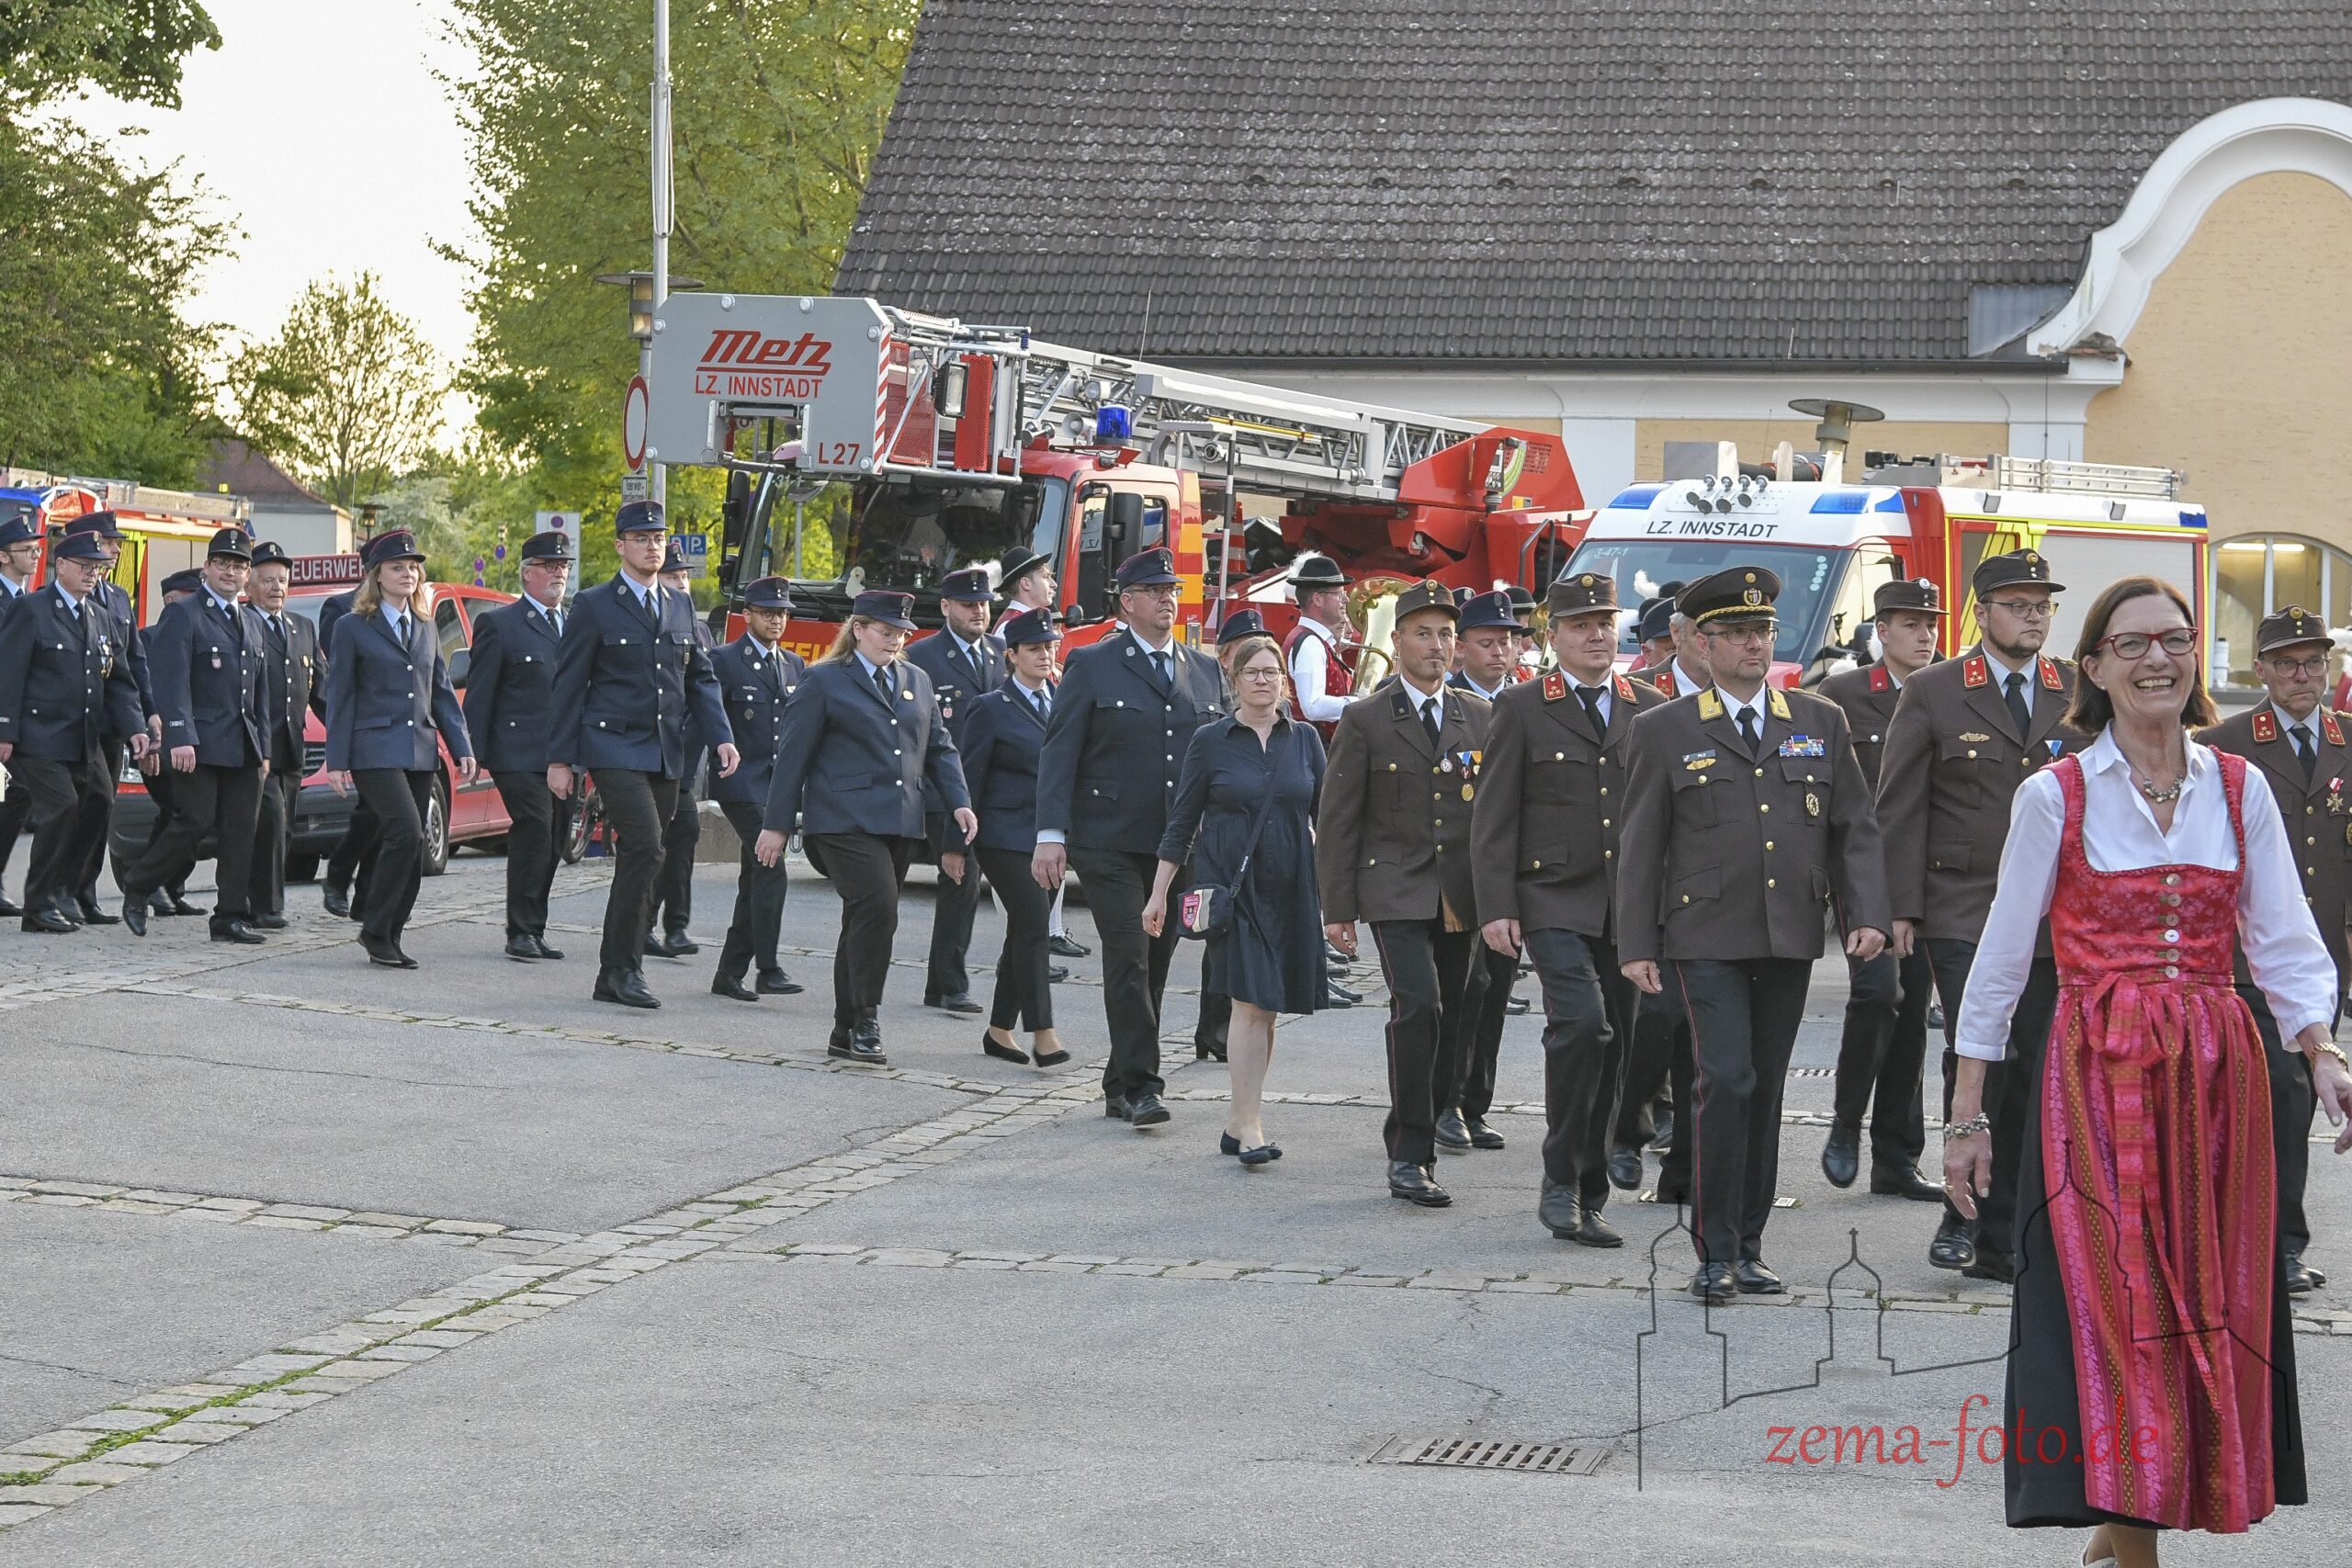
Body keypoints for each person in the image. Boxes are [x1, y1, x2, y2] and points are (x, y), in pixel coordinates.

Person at [1947, 575, 2352, 1554]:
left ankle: (2151, 1502)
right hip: (2099, 1075)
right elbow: (2000, 961)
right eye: (2130, 644)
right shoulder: (2055, 795)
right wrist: (1965, 1116)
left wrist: (2323, 1050)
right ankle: (2131, 1529)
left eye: (2172, 639)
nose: (2155, 659)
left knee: (2210, 1293)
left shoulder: (2239, 786)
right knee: (2116, 1293)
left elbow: (2284, 936)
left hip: (2217, 1074)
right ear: (2093, 667)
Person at [1615, 567, 1889, 1303]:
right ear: (1702, 643)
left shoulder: (1818, 720)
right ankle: (1713, 1249)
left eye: (1761, 630)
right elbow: (1641, 842)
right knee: (1725, 1080)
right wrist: (1636, 942)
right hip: (1703, 933)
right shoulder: (1665, 729)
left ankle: (1750, 1244)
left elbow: (1854, 826)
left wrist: (1866, 912)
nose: (1752, 644)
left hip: (1788, 930)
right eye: (1736, 632)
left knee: (1764, 1088)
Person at [1877, 547, 2086, 1281]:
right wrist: (1899, 907)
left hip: (2056, 911)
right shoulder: (1935, 691)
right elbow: (1900, 805)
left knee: (2033, 1058)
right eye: (2018, 605)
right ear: (1982, 613)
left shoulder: (2076, 688)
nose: (2033, 617)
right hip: (1963, 905)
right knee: (1979, 1047)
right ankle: (1961, 1215)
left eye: (2042, 605)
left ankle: (2005, 1230)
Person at [1473, 571, 1659, 1245]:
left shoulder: (1648, 705)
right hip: (1550, 895)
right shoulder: (1523, 706)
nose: (1597, 635)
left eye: (1605, 622)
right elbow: (1494, 813)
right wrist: (1496, 904)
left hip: (1627, 904)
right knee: (1583, 1025)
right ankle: (1559, 1178)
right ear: (1554, 637)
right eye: (1581, 625)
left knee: (1619, 1044)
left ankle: (1589, 1191)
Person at [1033, 547, 1228, 1127]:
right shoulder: (1093, 663)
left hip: (1177, 844)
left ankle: (1120, 1081)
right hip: (1108, 838)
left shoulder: (1204, 669)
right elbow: (1060, 750)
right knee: (1129, 956)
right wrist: (1050, 833)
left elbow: (1217, 758)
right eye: (1155, 591)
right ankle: (1143, 1085)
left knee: (1157, 960)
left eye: (1173, 590)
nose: (1168, 599)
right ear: (1127, 602)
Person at [1316, 579, 1491, 1206]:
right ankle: (1409, 1154)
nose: (1437, 645)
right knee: (1418, 1006)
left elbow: (1495, 816)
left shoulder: (1480, 715)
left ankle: (1438, 1111)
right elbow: (1339, 818)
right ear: (1397, 641)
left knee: (1457, 1011)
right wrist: (1337, 908)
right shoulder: (1366, 718)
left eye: (1446, 633)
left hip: (1460, 892)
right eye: (1423, 633)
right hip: (1393, 884)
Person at [754, 591, 973, 1064]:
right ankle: (867, 1019)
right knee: (879, 907)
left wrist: (959, 801)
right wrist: (776, 825)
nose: (895, 641)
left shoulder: (916, 679)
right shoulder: (823, 680)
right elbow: (792, 757)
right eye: (885, 631)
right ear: (858, 630)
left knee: (864, 920)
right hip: (841, 820)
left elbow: (939, 747)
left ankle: (844, 1027)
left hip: (900, 819)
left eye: (901, 634)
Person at [2197, 604, 2346, 1297]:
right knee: (2272, 1093)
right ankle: (2271, 1243)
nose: (2303, 674)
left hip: (2322, 956)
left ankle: (2274, 1240)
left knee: (2298, 1097)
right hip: (2245, 956)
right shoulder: (2222, 745)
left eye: (2314, 661)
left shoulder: (2348, 741)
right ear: (2260, 669)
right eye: (2287, 663)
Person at [1146, 624, 1327, 1165]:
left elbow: (1328, 820)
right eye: (1252, 672)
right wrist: (1159, 894)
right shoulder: (1210, 742)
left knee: (1267, 1009)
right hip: (1233, 890)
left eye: (1272, 672)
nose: (1263, 681)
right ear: (1235, 680)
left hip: (1291, 889)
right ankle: (1250, 1126)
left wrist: (1339, 900)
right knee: (1247, 1005)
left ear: (1284, 681)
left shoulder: (1306, 740)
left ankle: (1238, 1121)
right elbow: (1181, 824)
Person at [546, 501, 738, 1010]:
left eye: (658, 538)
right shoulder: (594, 605)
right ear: (621, 546)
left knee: (646, 854)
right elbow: (569, 684)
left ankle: (613, 971)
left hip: (664, 749)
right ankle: (625, 970)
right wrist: (560, 760)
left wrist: (721, 736)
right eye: (641, 538)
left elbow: (699, 679)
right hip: (612, 744)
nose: (653, 546)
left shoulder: (679, 606)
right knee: (647, 846)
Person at [1812, 579, 1945, 1202]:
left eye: (1931, 624)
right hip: (1862, 872)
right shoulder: (1842, 696)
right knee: (1877, 992)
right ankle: (1845, 1123)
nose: (1925, 634)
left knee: (1912, 1010)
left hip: (1923, 874)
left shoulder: (1947, 693)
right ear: (1881, 632)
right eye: (1910, 624)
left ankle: (1897, 1156)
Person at [321, 530, 475, 968]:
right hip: (373, 749)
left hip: (420, 748)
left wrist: (461, 745)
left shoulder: (426, 626)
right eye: (397, 567)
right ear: (377, 576)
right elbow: (341, 696)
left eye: (412, 567)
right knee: (405, 830)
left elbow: (440, 690)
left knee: (415, 841)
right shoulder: (352, 627)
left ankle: (390, 932)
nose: (407, 573)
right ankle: (375, 929)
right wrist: (337, 760)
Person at [120, 526, 274, 943]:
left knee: (241, 830)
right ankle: (138, 883)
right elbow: (171, 682)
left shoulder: (252, 622)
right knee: (194, 821)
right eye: (222, 563)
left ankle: (229, 917)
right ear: (206, 567)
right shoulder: (185, 614)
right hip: (199, 743)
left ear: (247, 574)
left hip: (243, 744)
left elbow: (260, 693)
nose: (230, 572)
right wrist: (179, 736)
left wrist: (264, 749)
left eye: (238, 566)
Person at [0, 527, 147, 931]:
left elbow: (118, 680)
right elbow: (9, 672)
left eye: (97, 568)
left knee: (100, 799)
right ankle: (39, 905)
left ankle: (68, 890)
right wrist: (4, 730)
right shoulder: (32, 609)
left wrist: (135, 727)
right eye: (84, 566)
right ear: (60, 565)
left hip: (83, 734)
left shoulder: (99, 616)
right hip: (38, 734)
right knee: (61, 807)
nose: (91, 574)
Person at [1611, 592, 1708, 1191]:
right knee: (1655, 1017)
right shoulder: (1638, 696)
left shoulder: (1745, 696)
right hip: (1654, 881)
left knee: (1703, 1034)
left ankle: (1685, 1164)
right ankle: (1626, 1128)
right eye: (1702, 632)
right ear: (1677, 636)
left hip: (1713, 888)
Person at [957, 605, 1069, 1066]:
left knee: (1022, 930)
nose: (1045, 655)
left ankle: (999, 1029)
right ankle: (1044, 1032)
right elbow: (968, 779)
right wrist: (954, 845)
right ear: (1012, 655)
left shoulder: (1063, 700)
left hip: (1051, 835)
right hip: (1003, 835)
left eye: (1050, 647)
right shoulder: (990, 707)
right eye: (1034, 649)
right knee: (1035, 923)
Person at [462, 528, 577, 962]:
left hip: (564, 752)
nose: (558, 573)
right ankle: (520, 930)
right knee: (535, 827)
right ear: (527, 572)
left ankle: (535, 926)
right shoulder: (501, 624)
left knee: (556, 838)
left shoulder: (576, 624)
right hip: (517, 751)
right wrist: (472, 751)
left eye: (563, 566)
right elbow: (481, 693)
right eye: (549, 566)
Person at [1439, 588, 1522, 1156]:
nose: (1499, 652)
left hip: (1512, 870)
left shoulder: (1526, 702)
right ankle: (1444, 1101)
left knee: (1495, 989)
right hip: (1458, 870)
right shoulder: (1448, 703)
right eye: (1487, 643)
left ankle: (1476, 1102)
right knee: (1462, 989)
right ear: (1461, 648)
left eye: (1507, 642)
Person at [906, 565, 1004, 1015]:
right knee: (959, 882)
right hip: (942, 791)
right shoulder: (922, 656)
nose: (978, 612)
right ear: (946, 607)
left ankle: (940, 983)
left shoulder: (1000, 652)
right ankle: (950, 984)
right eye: (968, 605)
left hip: (990, 789)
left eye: (983, 604)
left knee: (969, 884)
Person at [705, 576, 805, 1001]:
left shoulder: (794, 664)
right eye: (767, 613)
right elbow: (706, 714)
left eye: (782, 613)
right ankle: (768, 967)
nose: (776, 620)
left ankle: (729, 973)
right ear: (747, 615)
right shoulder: (725, 660)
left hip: (776, 785)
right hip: (740, 781)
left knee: (755, 876)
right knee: (770, 865)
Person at [58, 512, 155, 927]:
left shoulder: (116, 596)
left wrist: (146, 714)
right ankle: (61, 887)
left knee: (103, 803)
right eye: (110, 542)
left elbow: (132, 661)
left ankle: (85, 890)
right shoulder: (55, 597)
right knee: (83, 800)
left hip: (111, 721)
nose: (116, 550)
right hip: (71, 721)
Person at [243, 541, 326, 931]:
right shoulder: (243, 623)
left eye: (282, 580)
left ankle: (255, 897)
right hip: (255, 747)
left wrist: (343, 733)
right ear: (249, 585)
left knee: (284, 827)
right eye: (268, 580)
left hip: (292, 746)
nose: (277, 587)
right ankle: (265, 906)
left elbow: (320, 689)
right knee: (270, 823)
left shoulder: (302, 628)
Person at [121, 570, 206, 919]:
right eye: (191, 597)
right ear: (171, 601)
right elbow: (143, 695)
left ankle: (171, 887)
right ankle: (152, 882)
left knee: (193, 814)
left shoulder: (201, 633)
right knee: (178, 811)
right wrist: (150, 744)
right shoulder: (148, 639)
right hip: (160, 746)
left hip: (195, 745)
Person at [647, 536, 716, 957]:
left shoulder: (698, 627)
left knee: (683, 831)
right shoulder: (652, 620)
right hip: (658, 752)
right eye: (673, 577)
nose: (682, 584)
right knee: (659, 837)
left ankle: (674, 926)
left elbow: (705, 687)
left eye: (684, 576)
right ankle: (649, 924)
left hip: (687, 754)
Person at [316, 581, 377, 920]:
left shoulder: (412, 609)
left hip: (402, 732)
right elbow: (337, 674)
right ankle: (340, 876)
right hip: (364, 728)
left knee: (383, 817)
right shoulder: (340, 609)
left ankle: (366, 896)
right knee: (375, 813)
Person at [0, 512, 41, 919]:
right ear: (3, 556)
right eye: (26, 549)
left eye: (36, 548)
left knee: (19, 793)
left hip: (23, 717)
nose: (34, 554)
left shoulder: (32, 599)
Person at [1284, 553, 1353, 738]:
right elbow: (1313, 707)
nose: (1346, 600)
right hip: (1314, 748)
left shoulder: (1312, 640)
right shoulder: (1310, 643)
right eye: (1339, 594)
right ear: (1318, 599)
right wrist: (1360, 701)